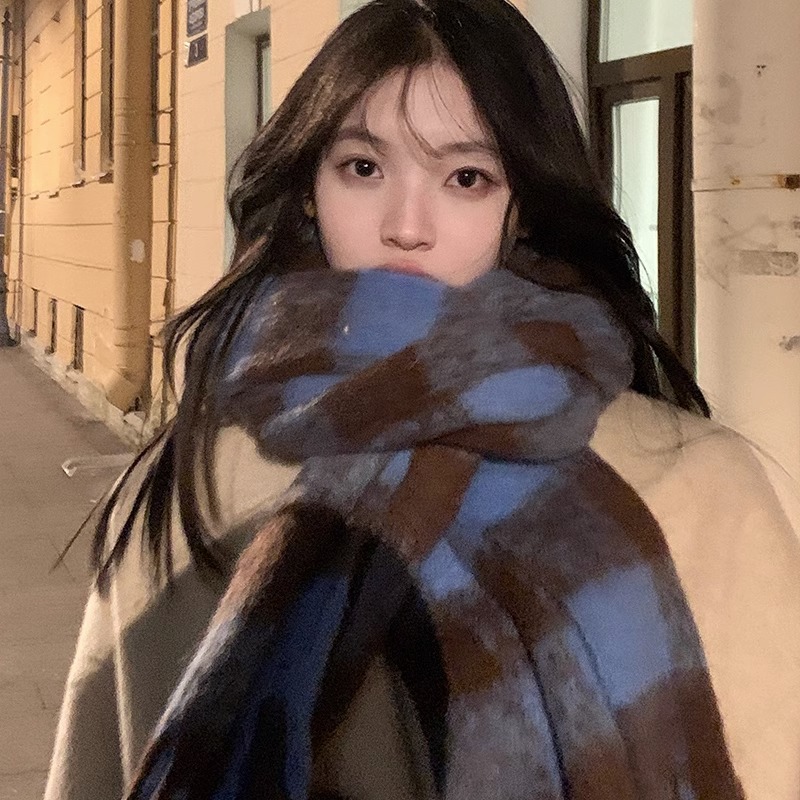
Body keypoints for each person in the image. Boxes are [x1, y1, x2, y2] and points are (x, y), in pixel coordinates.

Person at [44, 1, 800, 798]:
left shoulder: (701, 490)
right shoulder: (193, 484)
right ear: (309, 190)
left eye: (466, 178)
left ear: (522, 210)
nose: (407, 226)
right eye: (363, 168)